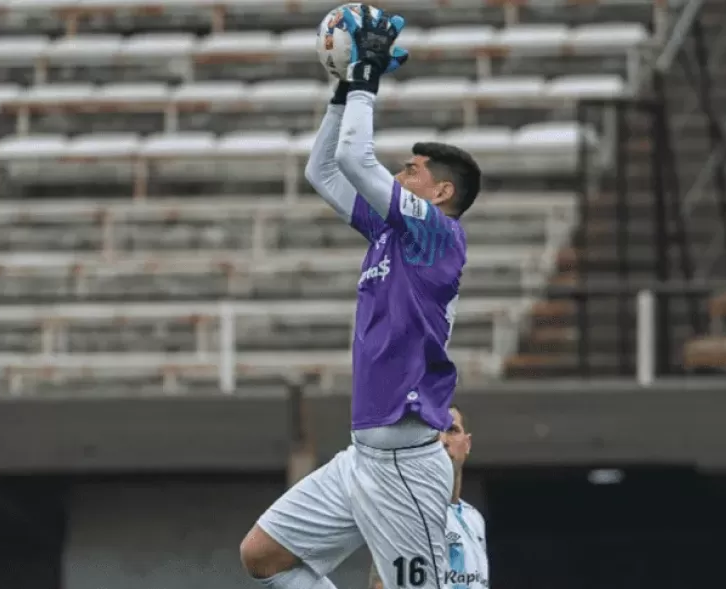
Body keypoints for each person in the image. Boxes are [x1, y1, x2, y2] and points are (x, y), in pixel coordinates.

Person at [239, 6, 482, 589]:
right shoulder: (389, 230)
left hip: (406, 462)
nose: (399, 175)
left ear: (441, 192)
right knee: (262, 556)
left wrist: (367, 78)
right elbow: (323, 170)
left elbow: (354, 158)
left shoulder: (436, 233)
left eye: (412, 170)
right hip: (361, 458)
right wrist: (346, 86)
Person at [369, 405, 489, 589]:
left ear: (467, 444)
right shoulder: (404, 514)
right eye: (433, 431)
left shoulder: (474, 519)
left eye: (452, 430)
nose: (443, 440)